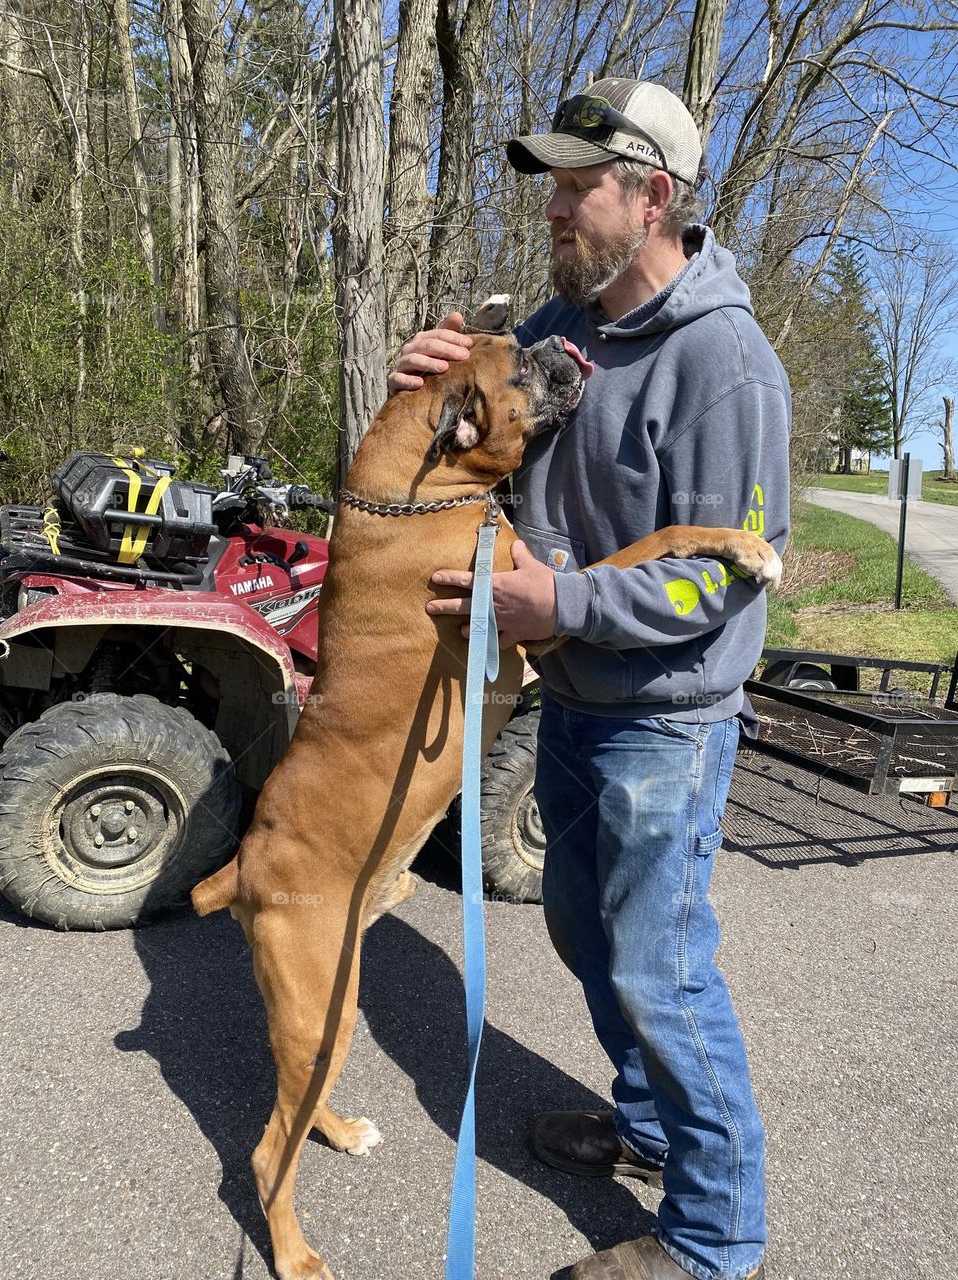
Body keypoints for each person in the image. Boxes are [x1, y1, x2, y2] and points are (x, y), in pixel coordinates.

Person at [389, 77, 790, 1280]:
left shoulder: (726, 363)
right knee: (580, 925)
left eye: (579, 185)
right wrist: (429, 389)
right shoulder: (576, 333)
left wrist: (555, 603)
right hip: (573, 700)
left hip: (666, 720)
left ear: (652, 195)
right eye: (553, 184)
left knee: (660, 969)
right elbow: (490, 437)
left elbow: (722, 580)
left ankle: (716, 1239)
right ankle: (652, 1128)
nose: (555, 208)